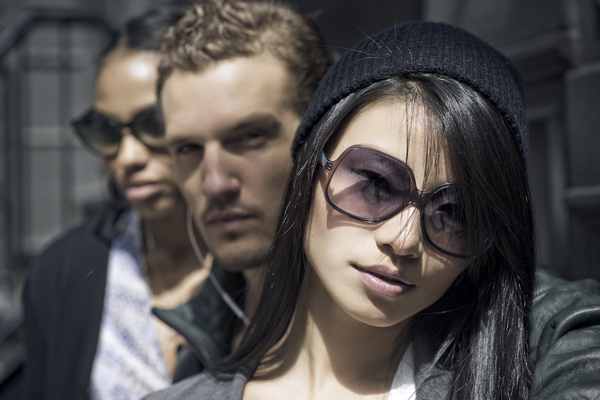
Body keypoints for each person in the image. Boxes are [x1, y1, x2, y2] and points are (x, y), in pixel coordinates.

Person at [146, 21, 600, 400]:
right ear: (309, 164)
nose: (404, 239)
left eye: (455, 214)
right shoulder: (189, 372)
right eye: (376, 183)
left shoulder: (536, 354)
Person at [22, 7, 244, 400]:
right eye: (104, 130)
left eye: (153, 125)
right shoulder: (62, 271)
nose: (127, 157)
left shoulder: (267, 264)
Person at [157, 0, 332, 317]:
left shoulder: (402, 335)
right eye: (188, 148)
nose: (215, 184)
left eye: (250, 137)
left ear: (323, 130)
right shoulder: (187, 335)